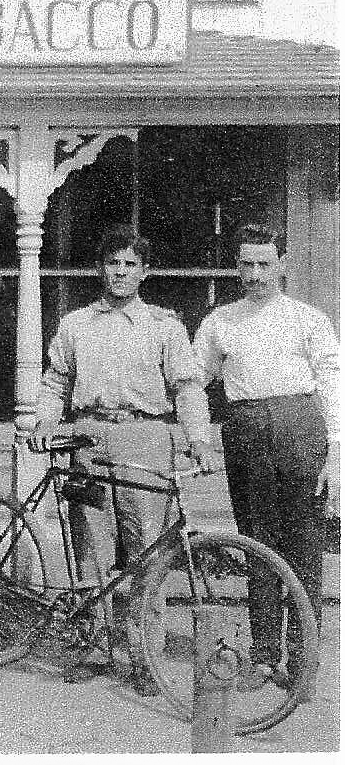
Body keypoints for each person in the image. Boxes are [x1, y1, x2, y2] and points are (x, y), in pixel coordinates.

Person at [29, 225, 212, 693]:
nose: (120, 272)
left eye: (130, 264)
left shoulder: (164, 326)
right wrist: (46, 422)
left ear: (144, 271)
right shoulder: (75, 324)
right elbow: (55, 382)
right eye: (113, 263)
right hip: (87, 438)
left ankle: (144, 655)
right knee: (90, 542)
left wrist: (199, 439)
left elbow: (187, 388)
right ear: (100, 268)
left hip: (144, 437)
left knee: (147, 547)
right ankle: (93, 644)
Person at [192, 222, 339, 689]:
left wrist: (336, 453)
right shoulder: (220, 321)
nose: (254, 274)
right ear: (236, 266)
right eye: (245, 264)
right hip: (246, 430)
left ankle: (303, 661)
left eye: (264, 264)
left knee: (302, 546)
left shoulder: (308, 319)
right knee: (255, 541)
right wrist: (195, 430)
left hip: (300, 431)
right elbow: (194, 377)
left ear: (281, 264)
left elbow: (335, 387)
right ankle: (262, 653)